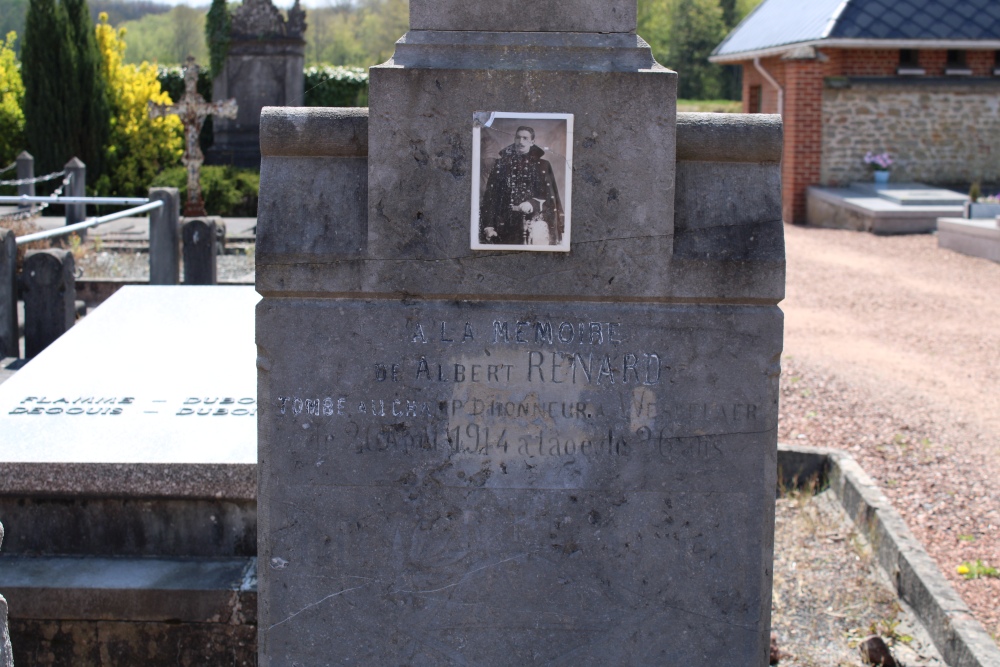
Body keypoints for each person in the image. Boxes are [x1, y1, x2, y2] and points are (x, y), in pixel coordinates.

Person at [479, 126, 564, 246]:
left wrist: (532, 203)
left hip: (533, 224)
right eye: (518, 137)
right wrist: (488, 226)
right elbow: (490, 198)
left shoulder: (543, 166)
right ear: (514, 139)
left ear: (532, 141)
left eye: (525, 138)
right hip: (504, 224)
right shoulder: (500, 164)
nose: (521, 141)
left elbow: (550, 197)